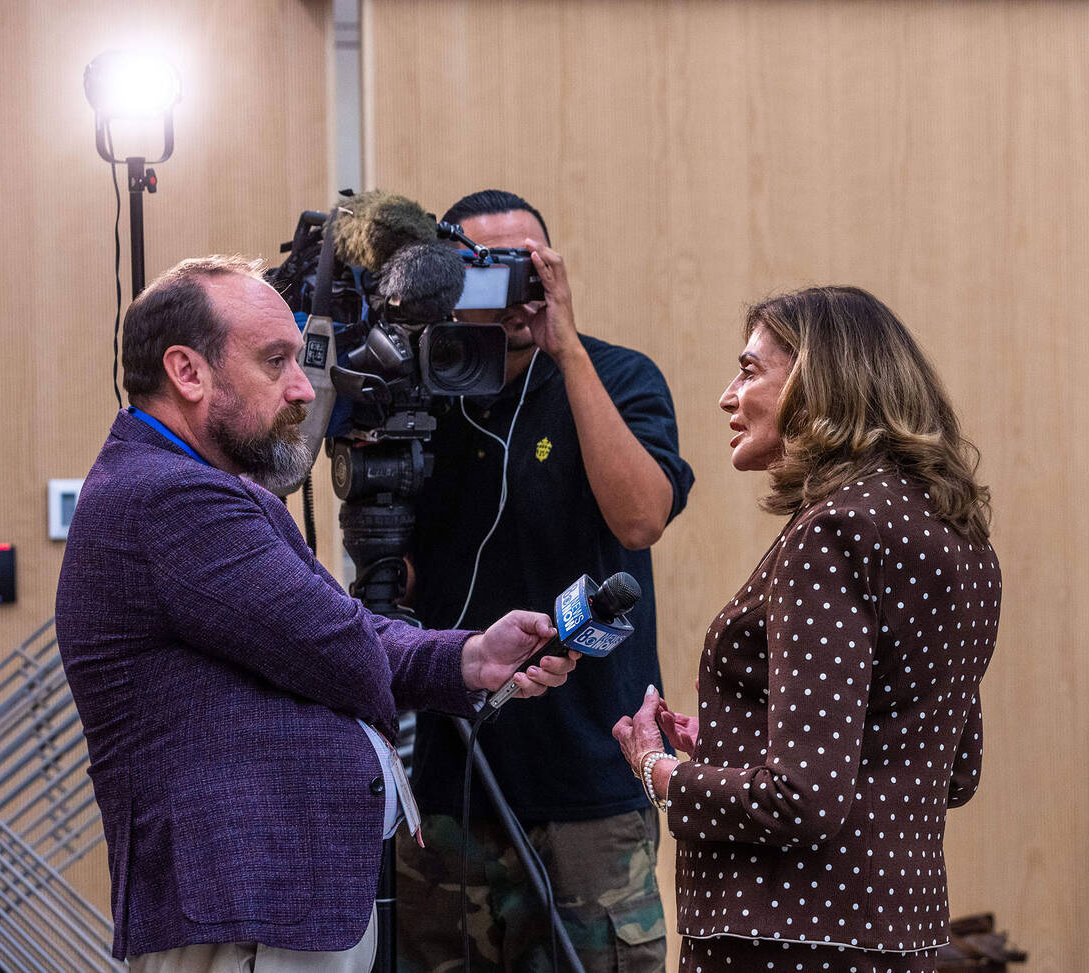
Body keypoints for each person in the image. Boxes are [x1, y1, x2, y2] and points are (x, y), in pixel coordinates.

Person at [54, 255, 579, 973]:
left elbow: (338, 630)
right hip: (243, 910)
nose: (304, 388)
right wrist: (414, 662)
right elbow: (338, 644)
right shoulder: (169, 497)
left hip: (271, 906)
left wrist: (469, 657)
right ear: (187, 371)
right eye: (276, 361)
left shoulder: (209, 487)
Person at [613, 286, 1000, 973]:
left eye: (750, 370)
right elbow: (953, 769)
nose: (728, 396)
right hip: (897, 936)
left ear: (819, 381)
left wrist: (662, 770)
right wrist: (739, 740)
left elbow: (802, 798)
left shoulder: (833, 528)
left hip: (785, 939)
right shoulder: (956, 534)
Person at [398, 190, 694, 972]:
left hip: (590, 786)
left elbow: (641, 520)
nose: (511, 293)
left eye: (525, 267)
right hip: (448, 783)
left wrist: (567, 349)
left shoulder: (618, 376)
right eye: (481, 272)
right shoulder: (422, 397)